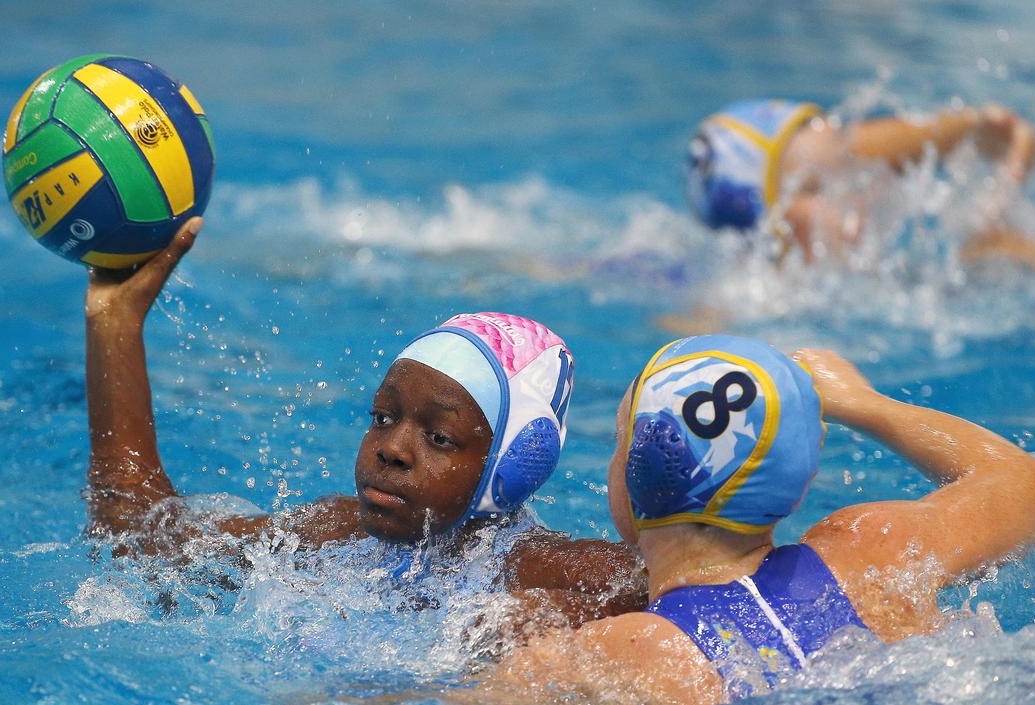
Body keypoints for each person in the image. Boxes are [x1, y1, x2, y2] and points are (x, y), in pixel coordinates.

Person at [82, 217, 646, 627]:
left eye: (439, 437)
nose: (392, 448)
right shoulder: (331, 534)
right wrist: (116, 323)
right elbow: (134, 536)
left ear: (514, 465)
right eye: (383, 417)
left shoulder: (545, 571)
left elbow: (711, 594)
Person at [468, 335, 1035, 705]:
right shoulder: (875, 553)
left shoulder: (620, 653)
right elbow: (1023, 485)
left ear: (636, 477)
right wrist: (862, 402)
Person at [687, 98, 1035, 275]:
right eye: (820, 189)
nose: (858, 198)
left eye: (853, 178)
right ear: (774, 227)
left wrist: (1000, 200)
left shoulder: (919, 280)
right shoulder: (744, 316)